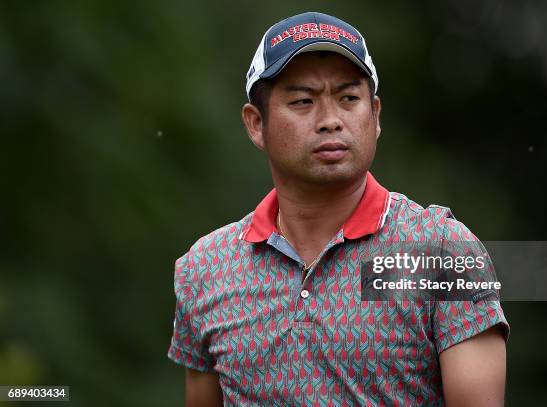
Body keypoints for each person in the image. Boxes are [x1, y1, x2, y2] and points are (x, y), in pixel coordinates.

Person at [168, 11, 509, 406]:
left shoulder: (442, 252)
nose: (331, 120)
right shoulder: (205, 269)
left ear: (375, 115)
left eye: (349, 99)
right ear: (255, 124)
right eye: (302, 101)